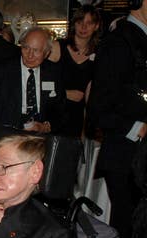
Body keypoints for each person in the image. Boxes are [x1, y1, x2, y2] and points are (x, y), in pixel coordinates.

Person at [88, 0, 147, 238]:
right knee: (130, 234)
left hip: (139, 158)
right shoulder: (118, 41)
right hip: (126, 157)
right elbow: (98, 108)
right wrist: (137, 128)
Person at [0, 27, 67, 134]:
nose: (30, 55)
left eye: (36, 50)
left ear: (46, 53)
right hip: (9, 133)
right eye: (26, 48)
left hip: (42, 136)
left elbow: (61, 109)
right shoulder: (2, 71)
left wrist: (46, 126)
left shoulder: (53, 73)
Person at [48, 5, 101, 139]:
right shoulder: (57, 47)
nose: (84, 27)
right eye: (80, 22)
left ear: (96, 26)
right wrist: (64, 93)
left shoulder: (99, 55)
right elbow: (41, 82)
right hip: (51, 114)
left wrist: (85, 129)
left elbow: (90, 96)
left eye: (89, 23)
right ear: (74, 24)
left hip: (76, 119)